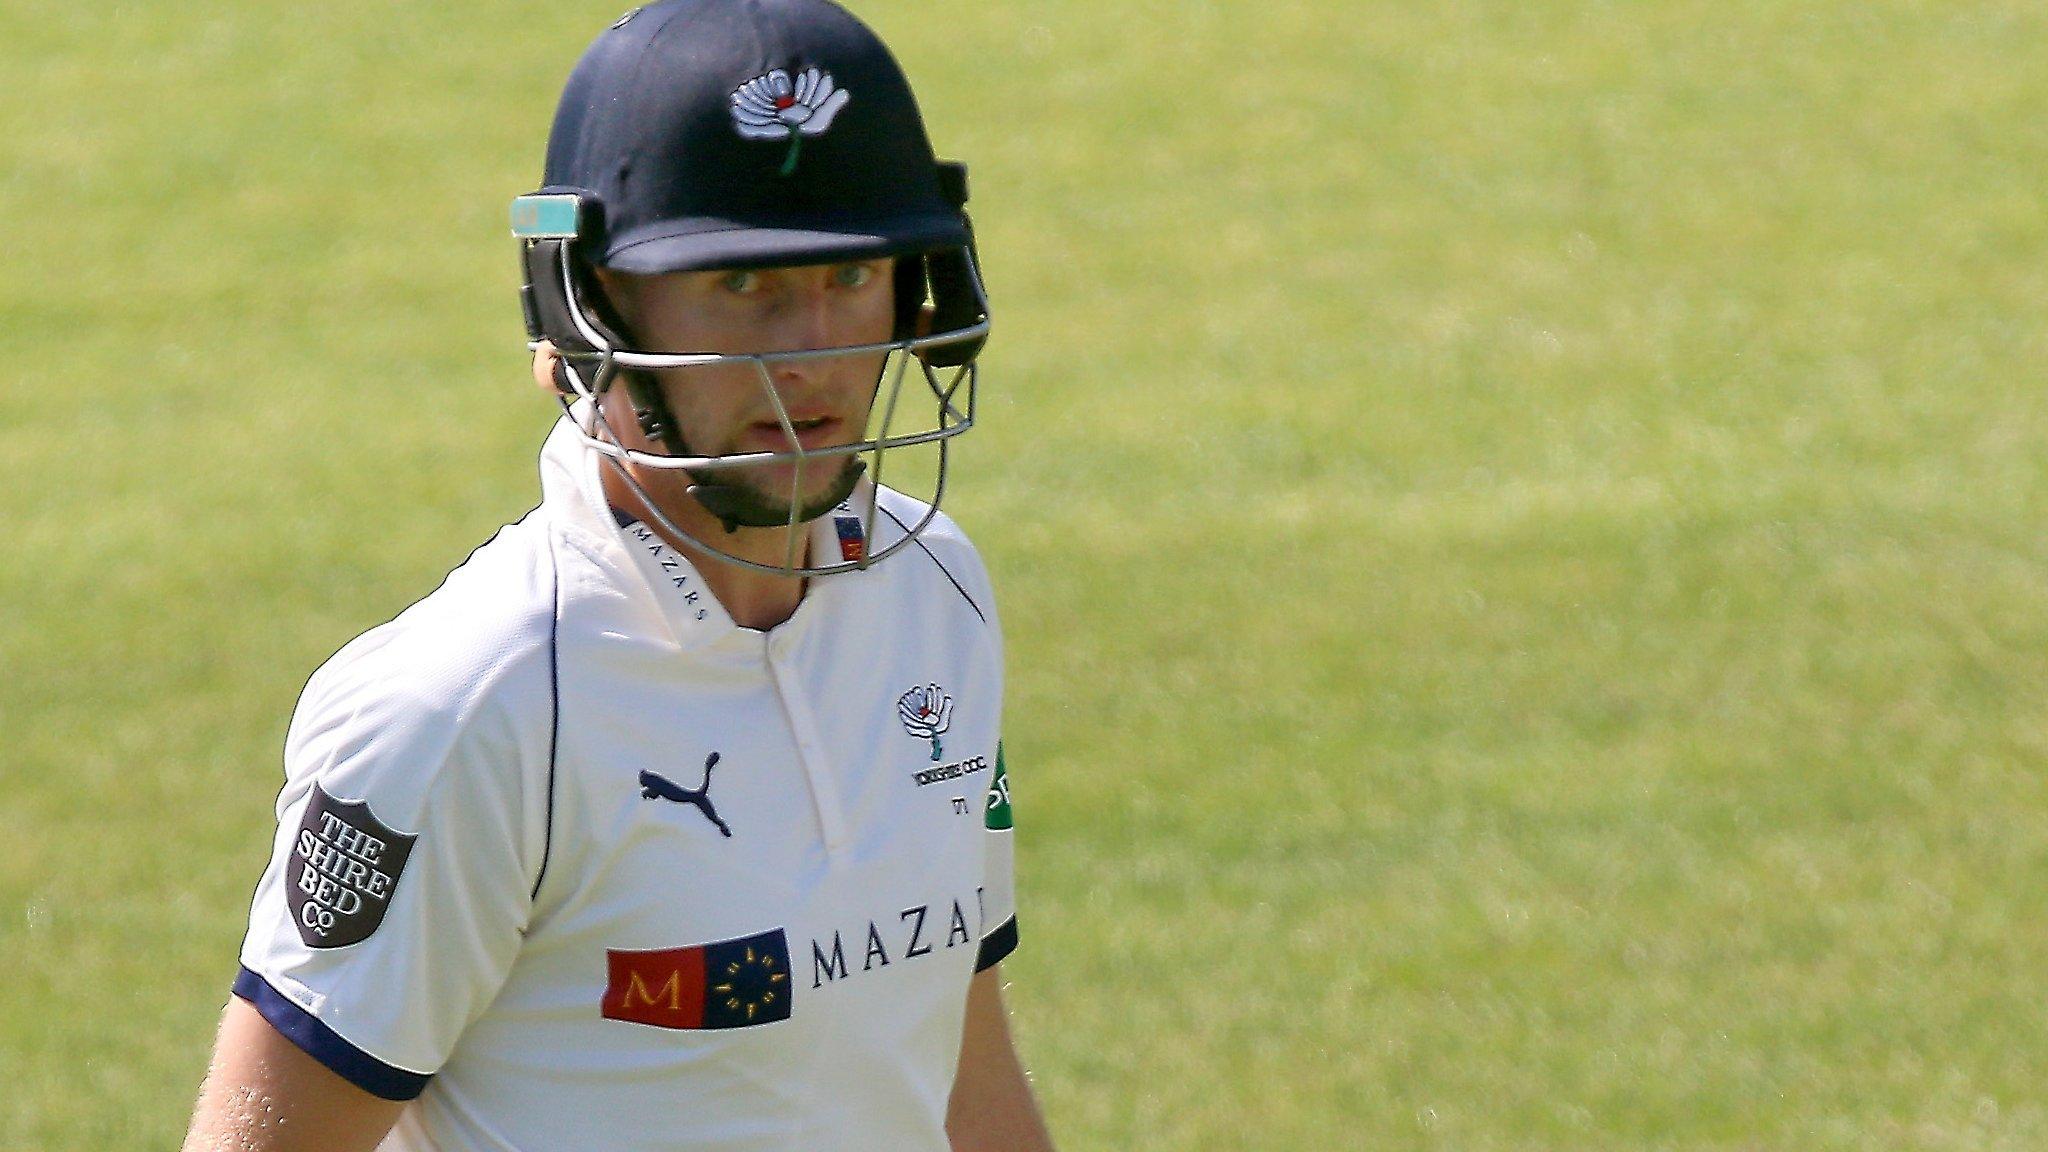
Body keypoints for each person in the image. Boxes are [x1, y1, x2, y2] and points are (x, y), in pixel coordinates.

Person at [180, 2, 1054, 1148]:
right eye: (742, 288)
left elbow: (959, 1069)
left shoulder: (934, 592)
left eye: (849, 277)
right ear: (585, 306)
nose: (812, 356)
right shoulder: (466, 710)